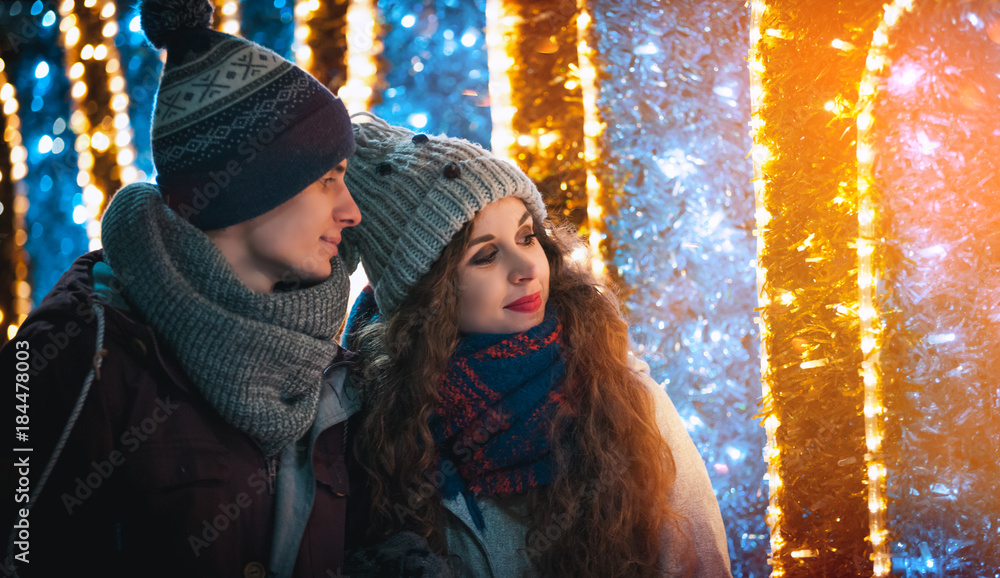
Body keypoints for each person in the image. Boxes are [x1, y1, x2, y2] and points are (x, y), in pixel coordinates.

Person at [1, 0, 361, 575]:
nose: (351, 212)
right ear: (249, 188)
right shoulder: (73, 356)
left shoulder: (326, 368)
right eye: (327, 181)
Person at [339, 114, 731, 577]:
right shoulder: (368, 421)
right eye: (485, 255)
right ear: (427, 290)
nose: (527, 265)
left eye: (527, 236)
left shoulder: (625, 398)